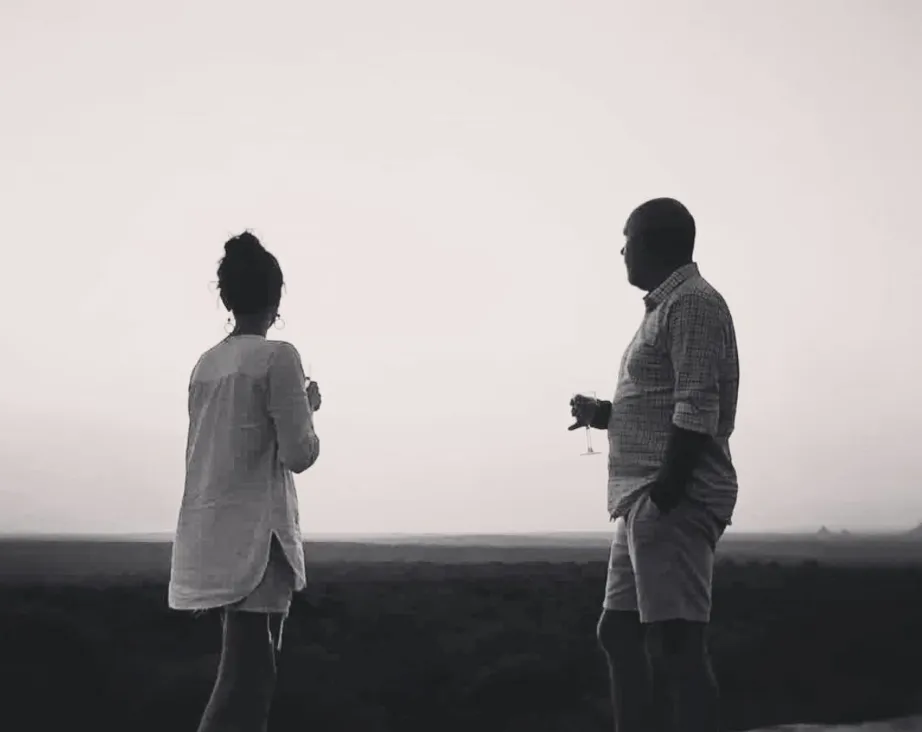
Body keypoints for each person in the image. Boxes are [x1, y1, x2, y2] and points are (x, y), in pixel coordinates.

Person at [570, 198, 739, 732]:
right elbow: (667, 403)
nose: (622, 249)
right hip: (643, 498)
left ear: (657, 241)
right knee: (617, 634)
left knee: (678, 645)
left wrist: (668, 491)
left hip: (667, 498)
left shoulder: (691, 304)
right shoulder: (669, 306)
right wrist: (605, 415)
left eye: (628, 237)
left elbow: (696, 405)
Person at [168, 231, 322, 732]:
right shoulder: (279, 358)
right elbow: (299, 453)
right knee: (249, 674)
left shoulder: (205, 365)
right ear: (277, 297)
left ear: (227, 297)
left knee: (249, 667)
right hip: (261, 537)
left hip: (212, 531)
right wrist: (308, 409)